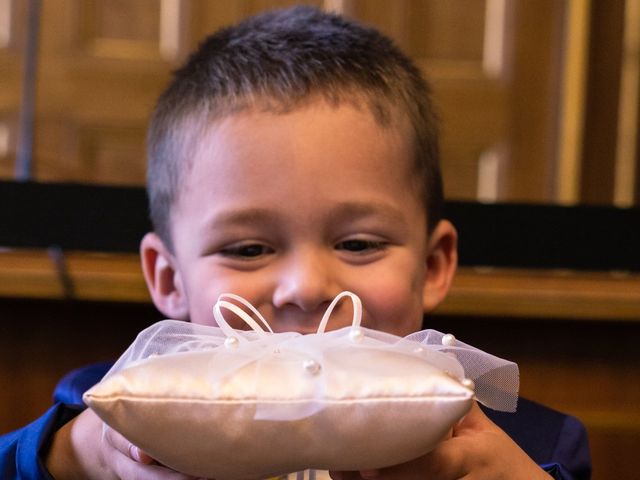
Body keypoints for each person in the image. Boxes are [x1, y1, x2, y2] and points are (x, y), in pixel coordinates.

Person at [0, 6, 590, 479]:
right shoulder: (110, 407)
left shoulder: (531, 442)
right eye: (249, 250)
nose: (306, 288)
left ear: (433, 265)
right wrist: (78, 457)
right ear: (169, 278)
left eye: (358, 244)